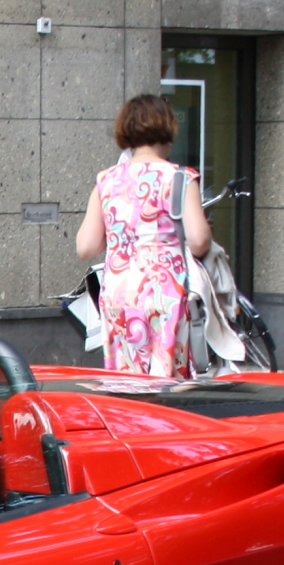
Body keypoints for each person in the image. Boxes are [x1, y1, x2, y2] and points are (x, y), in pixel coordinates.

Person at [74, 93, 212, 377]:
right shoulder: (179, 178)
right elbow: (199, 241)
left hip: (118, 292)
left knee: (126, 381)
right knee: (165, 385)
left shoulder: (107, 180)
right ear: (167, 129)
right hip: (164, 290)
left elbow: (86, 246)